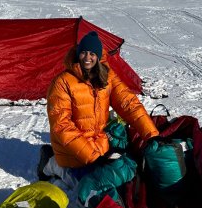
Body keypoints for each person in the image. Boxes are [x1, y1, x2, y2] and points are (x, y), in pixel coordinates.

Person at [45, 31, 159, 184]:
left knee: (126, 174)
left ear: (98, 56)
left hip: (100, 147)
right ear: (78, 54)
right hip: (72, 154)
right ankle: (52, 165)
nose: (87, 58)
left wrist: (151, 135)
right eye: (83, 52)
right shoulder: (62, 82)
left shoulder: (107, 77)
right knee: (92, 184)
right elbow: (61, 126)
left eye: (92, 53)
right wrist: (93, 157)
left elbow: (128, 103)